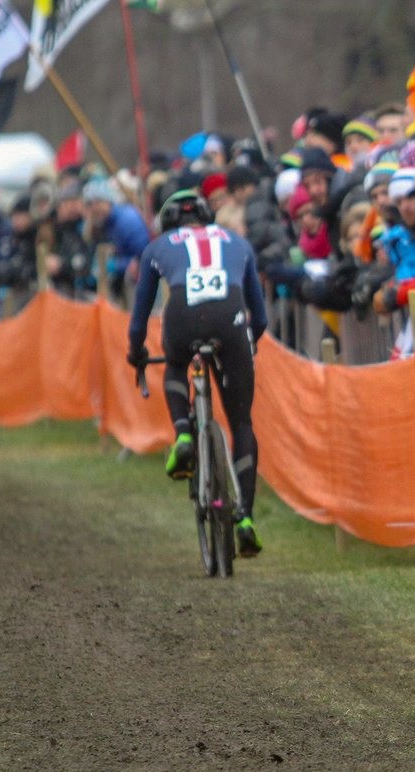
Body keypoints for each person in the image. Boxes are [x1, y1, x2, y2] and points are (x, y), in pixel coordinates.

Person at [126, 190, 269, 557]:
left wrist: (137, 353)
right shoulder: (237, 241)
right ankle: (246, 518)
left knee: (174, 362)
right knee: (241, 424)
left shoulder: (157, 247)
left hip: (182, 319)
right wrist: (245, 344)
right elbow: (262, 317)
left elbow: (139, 318)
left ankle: (184, 436)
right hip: (232, 320)